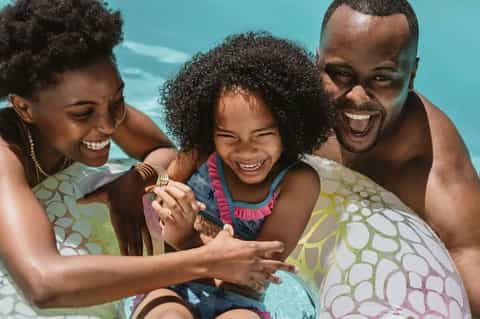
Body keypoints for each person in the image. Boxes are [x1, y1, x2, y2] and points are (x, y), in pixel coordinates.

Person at [0, 1, 296, 316]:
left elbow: (163, 151)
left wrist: (134, 180)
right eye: (83, 113)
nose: (109, 123)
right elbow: (44, 283)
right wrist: (207, 261)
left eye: (118, 100)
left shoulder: (101, 108)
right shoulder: (6, 154)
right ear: (24, 108)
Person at [129, 32, 334, 319]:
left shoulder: (298, 181)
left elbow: (257, 269)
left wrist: (188, 237)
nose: (246, 151)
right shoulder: (200, 152)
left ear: (289, 128)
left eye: (262, 135)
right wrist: (163, 201)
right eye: (228, 136)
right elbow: (159, 202)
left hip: (240, 302)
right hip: (171, 282)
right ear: (210, 130)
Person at [314, 0, 480, 314]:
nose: (357, 98)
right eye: (340, 73)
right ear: (316, 61)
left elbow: (472, 264)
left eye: (382, 78)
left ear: (412, 73)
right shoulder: (292, 110)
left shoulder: (431, 168)